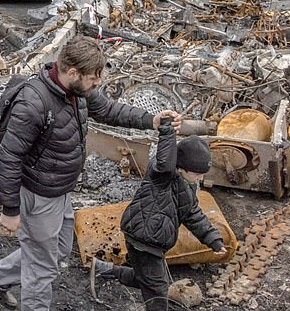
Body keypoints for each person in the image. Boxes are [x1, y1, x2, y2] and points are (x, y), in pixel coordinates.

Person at [0, 35, 183, 311]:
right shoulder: (33, 103)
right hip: (38, 196)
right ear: (72, 72)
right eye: (93, 77)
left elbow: (110, 110)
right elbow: (10, 157)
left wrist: (151, 120)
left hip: (60, 190)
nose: (98, 82)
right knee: (42, 270)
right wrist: (10, 209)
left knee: (59, 249)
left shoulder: (77, 92)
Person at [89, 128, 226, 310]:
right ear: (180, 167)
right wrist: (168, 131)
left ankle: (104, 269)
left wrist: (213, 239)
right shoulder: (162, 175)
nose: (200, 178)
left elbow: (193, 214)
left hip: (153, 240)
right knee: (158, 290)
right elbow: (165, 159)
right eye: (197, 174)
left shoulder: (188, 186)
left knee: (148, 279)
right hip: (143, 239)